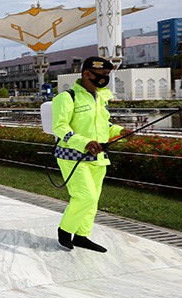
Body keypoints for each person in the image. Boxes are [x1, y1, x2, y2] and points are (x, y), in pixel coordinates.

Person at [52, 57, 132, 253]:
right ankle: (65, 231)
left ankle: (81, 235)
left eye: (107, 75)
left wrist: (120, 132)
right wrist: (84, 143)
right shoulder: (67, 97)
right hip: (72, 157)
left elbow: (104, 126)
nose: (105, 79)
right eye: (102, 75)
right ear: (87, 73)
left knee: (93, 199)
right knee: (84, 197)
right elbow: (60, 127)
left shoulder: (100, 98)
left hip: (98, 158)